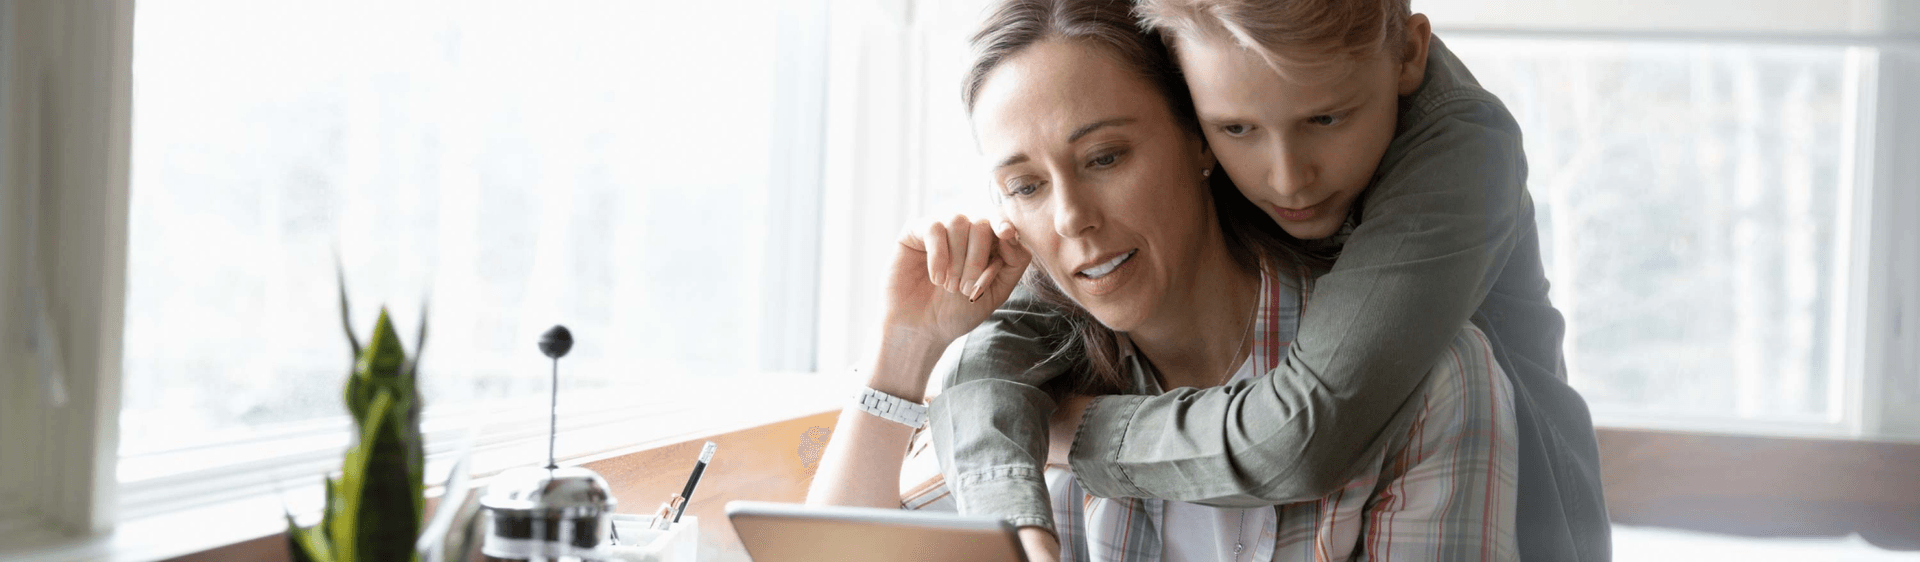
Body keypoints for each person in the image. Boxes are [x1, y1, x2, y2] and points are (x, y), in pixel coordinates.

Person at [807, 0, 1516, 559]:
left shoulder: (1429, 378)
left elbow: (1301, 436)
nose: (1073, 218)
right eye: (1025, 186)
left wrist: (1076, 434)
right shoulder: (1020, 386)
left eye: (1106, 157)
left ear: (1198, 136)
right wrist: (903, 352)